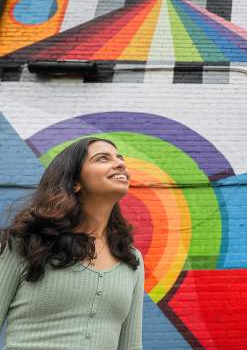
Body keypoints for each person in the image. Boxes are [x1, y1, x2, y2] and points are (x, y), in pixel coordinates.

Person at [0, 137, 144, 349]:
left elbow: (131, 346)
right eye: (102, 158)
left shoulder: (131, 259)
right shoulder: (24, 244)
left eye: (120, 158)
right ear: (75, 182)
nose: (120, 163)